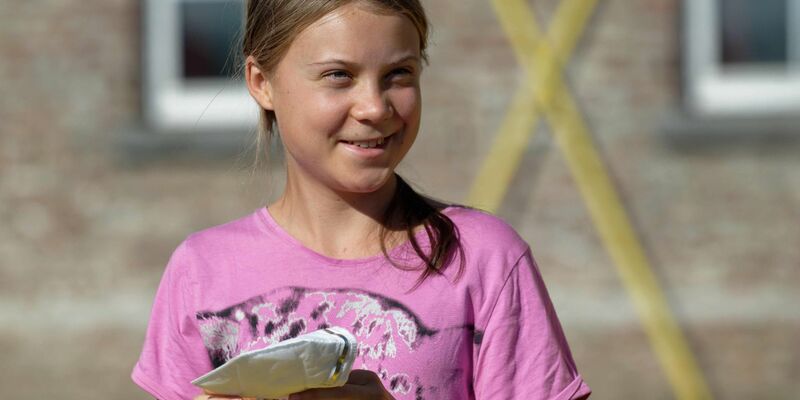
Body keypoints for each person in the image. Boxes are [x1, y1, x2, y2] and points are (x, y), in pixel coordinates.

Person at [132, 0, 591, 399]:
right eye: (338, 75)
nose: (374, 107)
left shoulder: (485, 259)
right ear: (261, 82)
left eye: (398, 74)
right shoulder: (202, 271)